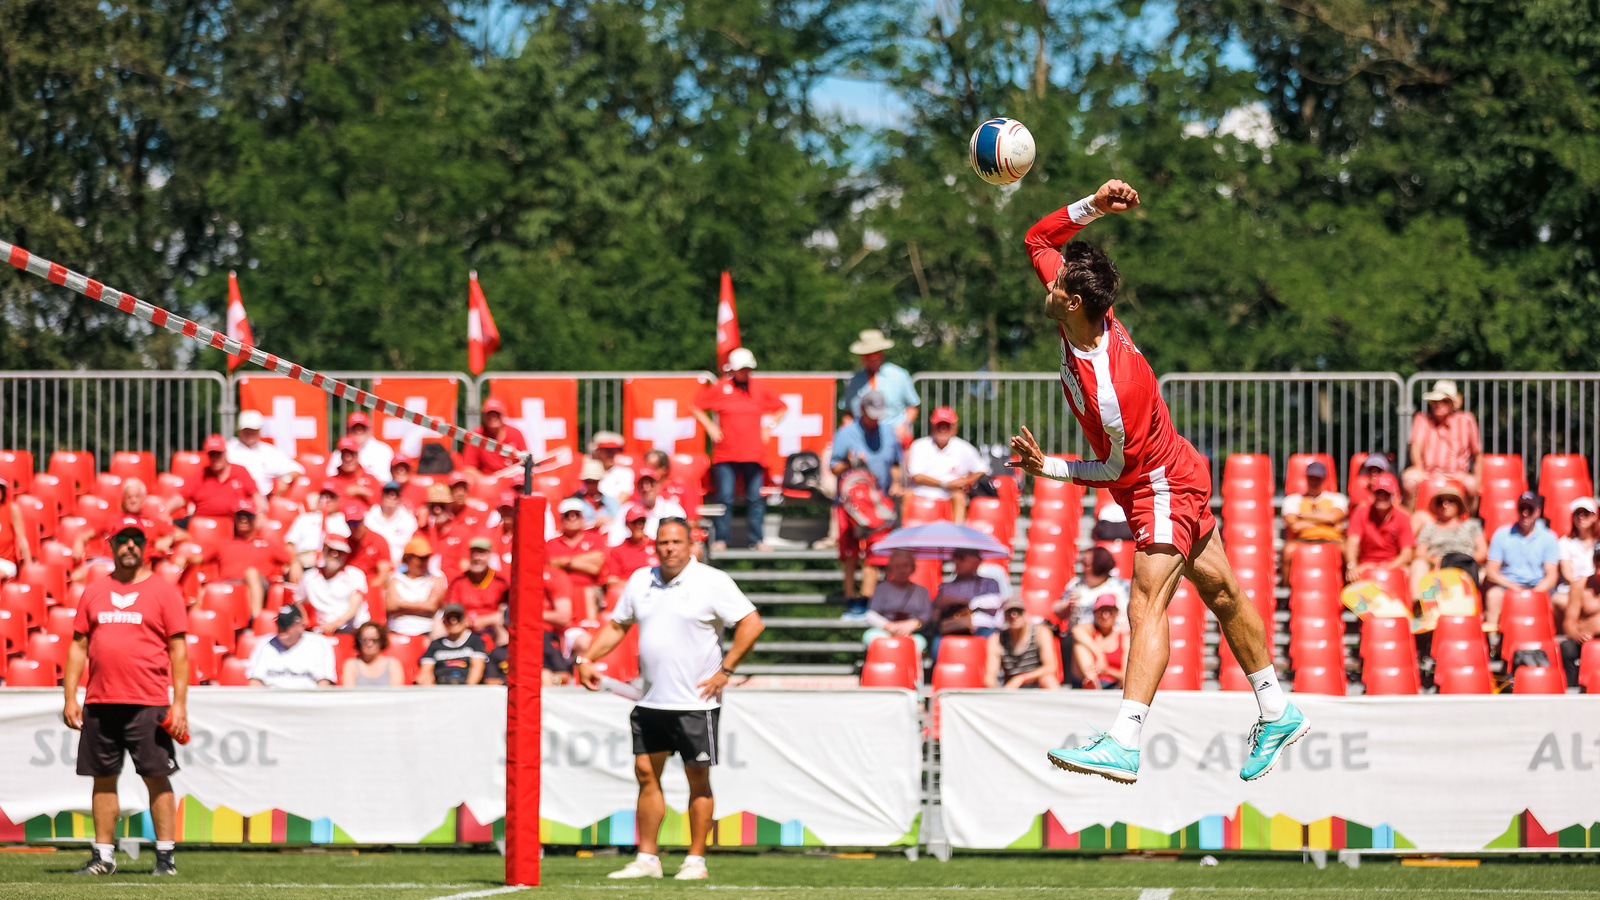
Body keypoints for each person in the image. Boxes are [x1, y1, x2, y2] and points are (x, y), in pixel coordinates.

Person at [1009, 179, 1303, 785]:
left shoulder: (1111, 389)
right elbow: (1038, 236)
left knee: (1147, 602)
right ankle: (1277, 709)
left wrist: (1051, 469)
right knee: (1220, 593)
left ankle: (1124, 741)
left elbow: (1116, 470)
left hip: (1160, 484)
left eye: (1056, 285)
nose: (1049, 283)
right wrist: (1094, 204)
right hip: (1169, 469)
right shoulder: (1084, 313)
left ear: (1070, 305)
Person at [576, 519, 764, 881]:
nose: (669, 548)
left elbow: (752, 623)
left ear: (690, 543)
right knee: (646, 774)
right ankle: (647, 858)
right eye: (663, 542)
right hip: (651, 700)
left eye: (677, 541)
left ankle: (695, 861)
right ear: (655, 545)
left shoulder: (712, 580)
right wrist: (587, 660)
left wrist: (725, 670)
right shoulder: (640, 580)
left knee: (698, 779)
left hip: (696, 703)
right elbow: (617, 624)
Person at [61, 515, 188, 877]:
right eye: (123, 539)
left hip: (149, 703)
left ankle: (166, 858)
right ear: (111, 544)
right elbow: (77, 647)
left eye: (136, 539)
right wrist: (71, 697)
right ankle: (104, 856)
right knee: (102, 778)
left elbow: (179, 652)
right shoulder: (94, 590)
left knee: (156, 777)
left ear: (145, 545)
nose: (130, 545)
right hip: (100, 702)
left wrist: (178, 703)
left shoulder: (164, 591)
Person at [691, 347, 787, 551]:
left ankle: (757, 540)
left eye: (747, 369)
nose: (746, 373)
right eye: (742, 369)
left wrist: (768, 425)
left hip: (754, 453)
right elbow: (696, 405)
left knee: (755, 498)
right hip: (726, 454)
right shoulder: (720, 387)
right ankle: (722, 539)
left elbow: (781, 407)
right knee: (725, 497)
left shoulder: (758, 388)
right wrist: (710, 426)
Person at [831, 389, 905, 607]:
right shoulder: (845, 433)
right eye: (871, 414)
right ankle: (850, 600)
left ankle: (867, 600)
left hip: (878, 502)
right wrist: (850, 463)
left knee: (876, 555)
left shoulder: (889, 433)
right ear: (861, 410)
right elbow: (834, 468)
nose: (874, 419)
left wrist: (898, 483)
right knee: (850, 554)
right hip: (850, 504)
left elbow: (895, 465)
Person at [1484, 492, 1561, 630]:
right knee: (1493, 596)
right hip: (1508, 586)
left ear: (1538, 512)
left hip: (1539, 587)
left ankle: (1558, 641)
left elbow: (1551, 576)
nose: (1525, 513)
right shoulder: (1501, 534)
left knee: (1561, 601)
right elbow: (1491, 571)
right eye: (1521, 508)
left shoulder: (1549, 537)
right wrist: (1515, 588)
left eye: (1530, 509)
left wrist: (1533, 593)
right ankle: (1493, 644)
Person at [201, 499, 290, 617]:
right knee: (205, 590)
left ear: (255, 518)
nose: (243, 519)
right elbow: (199, 558)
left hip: (258, 583)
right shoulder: (223, 543)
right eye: (239, 516)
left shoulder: (267, 544)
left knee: (251, 573)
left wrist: (295, 564)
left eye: (248, 515)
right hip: (227, 584)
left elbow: (290, 558)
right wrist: (183, 557)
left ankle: (255, 619)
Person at [1403, 380, 1482, 507]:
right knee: (1409, 482)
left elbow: (1477, 454)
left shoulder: (1466, 420)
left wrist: (1478, 481)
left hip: (1458, 474)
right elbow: (1415, 448)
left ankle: (1469, 522)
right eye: (1435, 401)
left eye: (1444, 400)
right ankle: (1409, 522)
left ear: (1453, 404)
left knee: (1472, 486)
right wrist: (1418, 467)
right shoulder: (1421, 419)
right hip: (1427, 472)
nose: (1438, 404)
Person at [905, 407, 986, 524]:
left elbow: (981, 470)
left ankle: (957, 536)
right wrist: (946, 484)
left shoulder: (964, 447)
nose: (943, 429)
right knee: (907, 495)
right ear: (932, 427)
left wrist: (966, 482)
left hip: (951, 494)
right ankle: (906, 537)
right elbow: (916, 476)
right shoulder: (919, 445)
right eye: (939, 425)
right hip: (922, 491)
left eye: (946, 425)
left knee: (959, 497)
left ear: (954, 428)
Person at [842, 329, 920, 447]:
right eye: (866, 355)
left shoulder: (899, 375)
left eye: (873, 354)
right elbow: (847, 412)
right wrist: (847, 432)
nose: (869, 358)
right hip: (861, 438)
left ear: (881, 353)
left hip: (893, 436)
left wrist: (904, 426)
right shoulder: (855, 381)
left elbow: (912, 407)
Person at [1280, 461, 1348, 578]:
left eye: (1318, 478)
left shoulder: (1337, 498)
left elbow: (1333, 517)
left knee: (1347, 550)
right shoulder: (1292, 499)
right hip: (1303, 539)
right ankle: (1286, 588)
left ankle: (1346, 585)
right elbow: (1295, 526)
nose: (1314, 482)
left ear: (1324, 479)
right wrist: (1327, 523)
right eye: (1311, 478)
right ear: (1306, 478)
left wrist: (1302, 516)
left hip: (1333, 540)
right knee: (1288, 551)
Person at [1411, 484, 1487, 586]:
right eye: (1440, 502)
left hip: (1466, 566)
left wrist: (1461, 561)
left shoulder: (1472, 525)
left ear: (1459, 505)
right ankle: (1418, 601)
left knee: (1486, 573)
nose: (1445, 504)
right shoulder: (1429, 528)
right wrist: (1435, 561)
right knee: (1418, 564)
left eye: (1450, 500)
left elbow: (1483, 552)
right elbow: (1419, 553)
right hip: (1437, 568)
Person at [1344, 473, 1415, 579]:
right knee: (1353, 575)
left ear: (1393, 495)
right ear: (1372, 494)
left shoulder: (1402, 518)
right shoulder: (1361, 513)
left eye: (1386, 493)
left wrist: (1387, 568)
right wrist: (1352, 565)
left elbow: (1407, 553)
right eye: (1378, 492)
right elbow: (1351, 543)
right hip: (1365, 566)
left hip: (1393, 566)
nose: (1382, 497)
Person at [861, 549, 933, 653]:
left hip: (912, 632)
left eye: (905, 565)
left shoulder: (922, 591)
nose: (902, 570)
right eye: (897, 566)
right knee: (871, 638)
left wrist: (914, 624)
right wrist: (888, 626)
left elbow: (926, 614)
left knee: (919, 643)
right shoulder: (881, 589)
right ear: (890, 569)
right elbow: (871, 613)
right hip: (885, 631)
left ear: (913, 567)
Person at [247, 605, 336, 688]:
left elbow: (324, 683)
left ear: (300, 626)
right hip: (272, 699)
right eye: (279, 623)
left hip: (306, 700)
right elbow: (255, 681)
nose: (281, 628)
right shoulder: (265, 643)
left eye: (286, 624)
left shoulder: (319, 643)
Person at [548, 498, 608, 619]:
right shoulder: (551, 543)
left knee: (588, 594)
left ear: (583, 518)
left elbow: (595, 568)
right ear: (561, 519)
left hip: (590, 589)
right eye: (567, 515)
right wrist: (585, 561)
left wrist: (566, 562)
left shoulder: (595, 538)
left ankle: (590, 629)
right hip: (560, 591)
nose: (572, 518)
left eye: (576, 514)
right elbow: (552, 565)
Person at [295, 536, 368, 634]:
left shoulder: (355, 574)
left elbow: (354, 607)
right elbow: (298, 603)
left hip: (349, 628)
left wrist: (335, 624)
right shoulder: (309, 576)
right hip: (319, 629)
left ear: (346, 555)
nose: (335, 554)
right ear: (324, 551)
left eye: (340, 552)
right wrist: (305, 621)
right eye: (331, 550)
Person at [183, 434, 263, 520]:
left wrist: (260, 514)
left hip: (235, 524)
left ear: (225, 452)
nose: (215, 457)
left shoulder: (240, 471)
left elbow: (257, 497)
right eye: (212, 454)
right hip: (203, 524)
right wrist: (166, 512)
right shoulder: (201, 474)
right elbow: (181, 497)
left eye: (218, 453)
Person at [227, 409, 304, 497]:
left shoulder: (269, 452)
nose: (250, 433)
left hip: (262, 501)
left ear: (260, 430)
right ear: (240, 430)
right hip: (233, 498)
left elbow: (297, 469)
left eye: (254, 430)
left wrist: (285, 480)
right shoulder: (228, 449)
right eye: (247, 430)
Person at [988, 597, 1061, 689]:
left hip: (1037, 684)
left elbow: (1051, 667)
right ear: (1004, 617)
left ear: (1025, 613)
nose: (1014, 615)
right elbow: (989, 678)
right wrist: (999, 694)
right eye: (1009, 612)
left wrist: (1021, 678)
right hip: (1011, 689)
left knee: (1049, 680)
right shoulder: (996, 640)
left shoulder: (1041, 632)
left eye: (1018, 611)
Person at [1053, 546, 1130, 632]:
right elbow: (1057, 612)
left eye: (1086, 564)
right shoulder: (1076, 584)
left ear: (1098, 567)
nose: (1083, 568)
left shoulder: (1119, 587)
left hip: (1107, 636)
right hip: (1075, 636)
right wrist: (1067, 604)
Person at [605, 468, 687, 547]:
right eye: (642, 484)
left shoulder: (673, 510)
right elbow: (615, 540)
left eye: (651, 483)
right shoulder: (626, 509)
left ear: (658, 485)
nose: (646, 488)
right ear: (636, 488)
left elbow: (683, 540)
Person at [933, 548, 1004, 637]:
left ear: (977, 561)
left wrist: (961, 601)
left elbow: (994, 601)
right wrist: (938, 606)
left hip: (983, 630)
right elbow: (935, 613)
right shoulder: (946, 586)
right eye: (955, 557)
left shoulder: (989, 582)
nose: (957, 561)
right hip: (953, 628)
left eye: (961, 557)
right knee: (937, 644)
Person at [446, 538, 510, 636]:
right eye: (474, 553)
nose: (477, 558)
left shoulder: (500, 582)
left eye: (481, 554)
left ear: (489, 556)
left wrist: (484, 620)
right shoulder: (458, 581)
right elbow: (452, 608)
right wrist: (466, 620)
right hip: (464, 626)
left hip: (492, 628)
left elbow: (505, 611)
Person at [385, 537, 447, 637]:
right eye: (420, 558)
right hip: (398, 630)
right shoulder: (395, 577)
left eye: (426, 557)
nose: (424, 562)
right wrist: (422, 605)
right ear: (407, 559)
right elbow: (391, 606)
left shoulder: (437, 576)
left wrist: (401, 605)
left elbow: (431, 607)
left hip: (428, 631)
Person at [417, 603, 487, 685]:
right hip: (441, 688)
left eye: (458, 617)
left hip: (466, 688)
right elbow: (426, 672)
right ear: (443, 622)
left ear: (465, 620)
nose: (453, 621)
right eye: (449, 618)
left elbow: (477, 668)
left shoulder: (475, 641)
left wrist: (467, 690)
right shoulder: (435, 644)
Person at [1071, 596, 1130, 690]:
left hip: (1113, 684)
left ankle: (1094, 685)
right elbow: (1076, 631)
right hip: (1086, 679)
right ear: (1094, 614)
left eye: (1110, 612)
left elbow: (1126, 675)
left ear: (1116, 613)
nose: (1105, 616)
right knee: (1079, 645)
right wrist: (1099, 654)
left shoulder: (1123, 639)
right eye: (1101, 612)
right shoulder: (1090, 630)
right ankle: (1092, 682)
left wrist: (1106, 670)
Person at [1561, 546, 1600, 685]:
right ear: (1594, 561)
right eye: (1598, 559)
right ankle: (1572, 690)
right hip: (1584, 642)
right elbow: (1569, 624)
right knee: (1567, 647)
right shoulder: (1579, 586)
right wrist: (1578, 636)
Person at [1555, 496, 1598, 616]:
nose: (1581, 517)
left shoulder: (1597, 542)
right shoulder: (1564, 542)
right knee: (1561, 601)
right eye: (1577, 513)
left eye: (1585, 513)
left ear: (1594, 516)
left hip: (1595, 590)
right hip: (1571, 590)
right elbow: (1567, 573)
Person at [463, 397, 529, 475]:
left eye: (497, 414)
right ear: (483, 416)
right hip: (487, 481)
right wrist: (485, 481)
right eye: (489, 414)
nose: (493, 417)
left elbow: (525, 462)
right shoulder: (477, 436)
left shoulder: (515, 433)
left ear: (504, 415)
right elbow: (469, 468)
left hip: (512, 480)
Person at [324, 411, 394, 482]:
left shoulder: (383, 450)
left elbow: (386, 481)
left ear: (370, 429)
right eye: (354, 428)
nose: (358, 431)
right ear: (348, 430)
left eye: (362, 427)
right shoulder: (339, 452)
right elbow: (331, 478)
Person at [342, 501, 394, 597]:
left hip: (372, 591)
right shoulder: (344, 544)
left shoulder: (378, 541)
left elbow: (382, 577)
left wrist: (364, 591)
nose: (355, 527)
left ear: (364, 520)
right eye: (351, 523)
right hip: (349, 590)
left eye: (357, 522)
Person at [364, 481, 418, 566]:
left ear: (400, 497)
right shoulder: (369, 518)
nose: (392, 496)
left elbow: (413, 545)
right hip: (373, 564)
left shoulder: (409, 520)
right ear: (382, 496)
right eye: (388, 493)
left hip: (400, 565)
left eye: (396, 494)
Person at [607, 506, 660, 587]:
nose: (639, 525)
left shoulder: (656, 544)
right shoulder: (618, 550)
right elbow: (612, 580)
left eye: (642, 521)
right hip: (629, 591)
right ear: (627, 524)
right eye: (634, 522)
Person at [340, 621, 405, 686]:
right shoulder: (351, 664)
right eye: (364, 640)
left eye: (374, 640)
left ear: (381, 641)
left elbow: (396, 693)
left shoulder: (393, 664)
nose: (369, 644)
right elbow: (349, 693)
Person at [572, 458, 623, 531]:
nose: (591, 486)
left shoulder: (611, 501)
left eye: (594, 482)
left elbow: (619, 520)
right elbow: (570, 524)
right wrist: (593, 522)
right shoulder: (575, 502)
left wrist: (607, 519)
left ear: (599, 481)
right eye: (588, 482)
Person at [327, 435, 381, 503]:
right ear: (340, 457)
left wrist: (364, 493)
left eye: (352, 453)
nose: (348, 458)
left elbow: (382, 506)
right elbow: (325, 508)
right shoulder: (331, 482)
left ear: (357, 455)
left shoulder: (371, 479)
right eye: (344, 454)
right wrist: (344, 494)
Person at [588, 431, 635, 504]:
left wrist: (608, 511)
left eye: (614, 450)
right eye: (607, 450)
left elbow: (623, 496)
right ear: (597, 451)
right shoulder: (588, 472)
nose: (611, 454)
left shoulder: (625, 473)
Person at [0, 476, 31, 579]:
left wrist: (29, 567)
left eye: (0, 488)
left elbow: (21, 539)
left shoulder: (12, 509)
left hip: (5, 561)